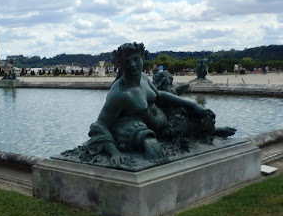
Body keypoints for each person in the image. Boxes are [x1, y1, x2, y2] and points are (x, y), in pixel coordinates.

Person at [86, 42, 234, 166]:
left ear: (142, 57)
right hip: (148, 132)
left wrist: (191, 105)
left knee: (204, 115)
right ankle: (207, 131)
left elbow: (160, 96)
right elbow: (100, 126)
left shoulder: (143, 78)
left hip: (168, 122)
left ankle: (212, 130)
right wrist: (115, 153)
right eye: (127, 62)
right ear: (120, 65)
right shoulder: (120, 94)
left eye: (135, 59)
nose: (132, 65)